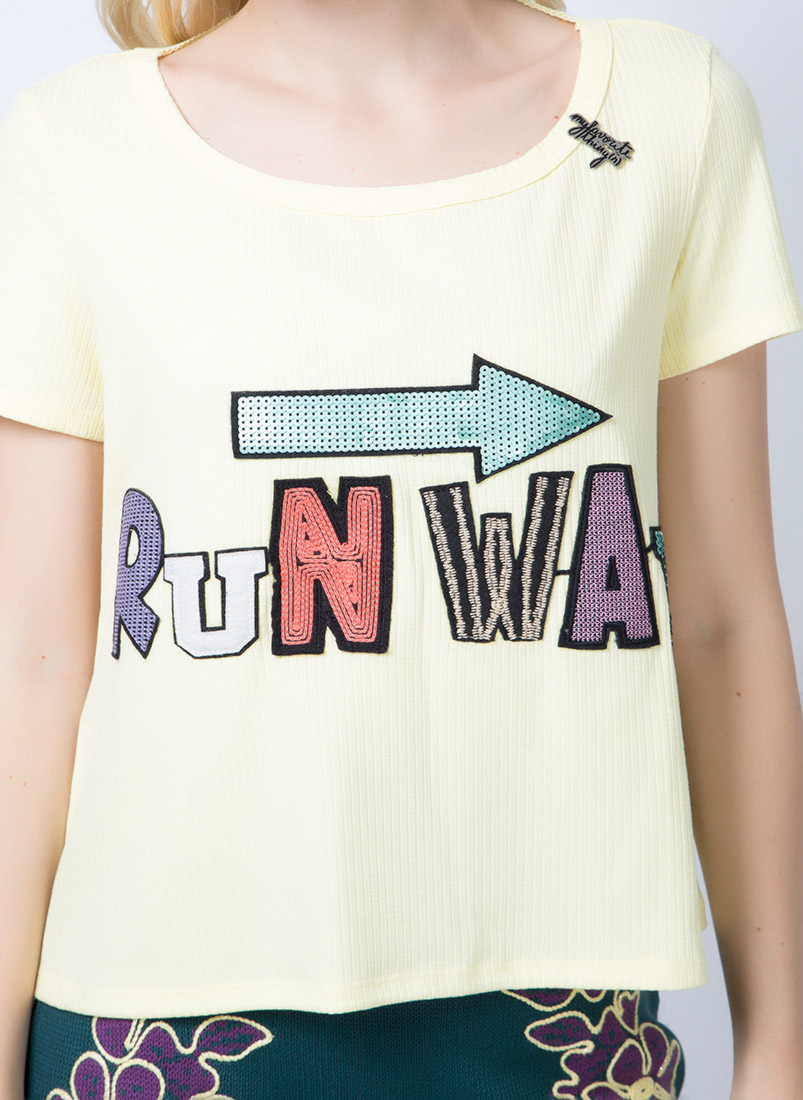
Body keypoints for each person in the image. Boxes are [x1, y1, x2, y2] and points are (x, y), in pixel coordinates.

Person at [1, 0, 802, 1096]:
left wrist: (779, 1050)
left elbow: (721, 621)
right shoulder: (72, 145)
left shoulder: (669, 111)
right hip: (149, 1021)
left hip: (556, 1020)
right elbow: (36, 661)